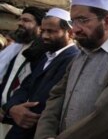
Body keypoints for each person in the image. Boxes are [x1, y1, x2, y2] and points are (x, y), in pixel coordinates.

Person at [34, 0, 108, 139]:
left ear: (107, 21)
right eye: (73, 21)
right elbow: (56, 97)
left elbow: (104, 119)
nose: (75, 29)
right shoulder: (81, 54)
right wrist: (45, 135)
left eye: (83, 20)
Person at [0, 8, 80, 139]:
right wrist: (12, 107)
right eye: (43, 31)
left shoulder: (73, 59)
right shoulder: (45, 56)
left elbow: (49, 99)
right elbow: (26, 85)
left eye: (51, 31)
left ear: (70, 33)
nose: (44, 36)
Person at [0, 6, 46, 139]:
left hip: (17, 119)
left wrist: (8, 109)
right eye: (20, 19)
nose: (20, 23)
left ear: (40, 27)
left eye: (26, 20)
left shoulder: (41, 53)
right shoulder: (17, 49)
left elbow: (29, 86)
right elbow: (6, 80)